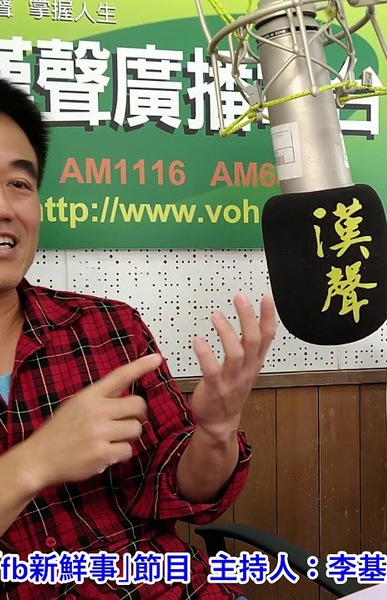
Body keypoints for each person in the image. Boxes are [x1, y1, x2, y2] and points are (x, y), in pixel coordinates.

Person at [0, 77, 276, 598]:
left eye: (19, 183)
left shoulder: (107, 327)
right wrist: (38, 461)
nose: (5, 208)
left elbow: (184, 489)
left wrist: (215, 433)